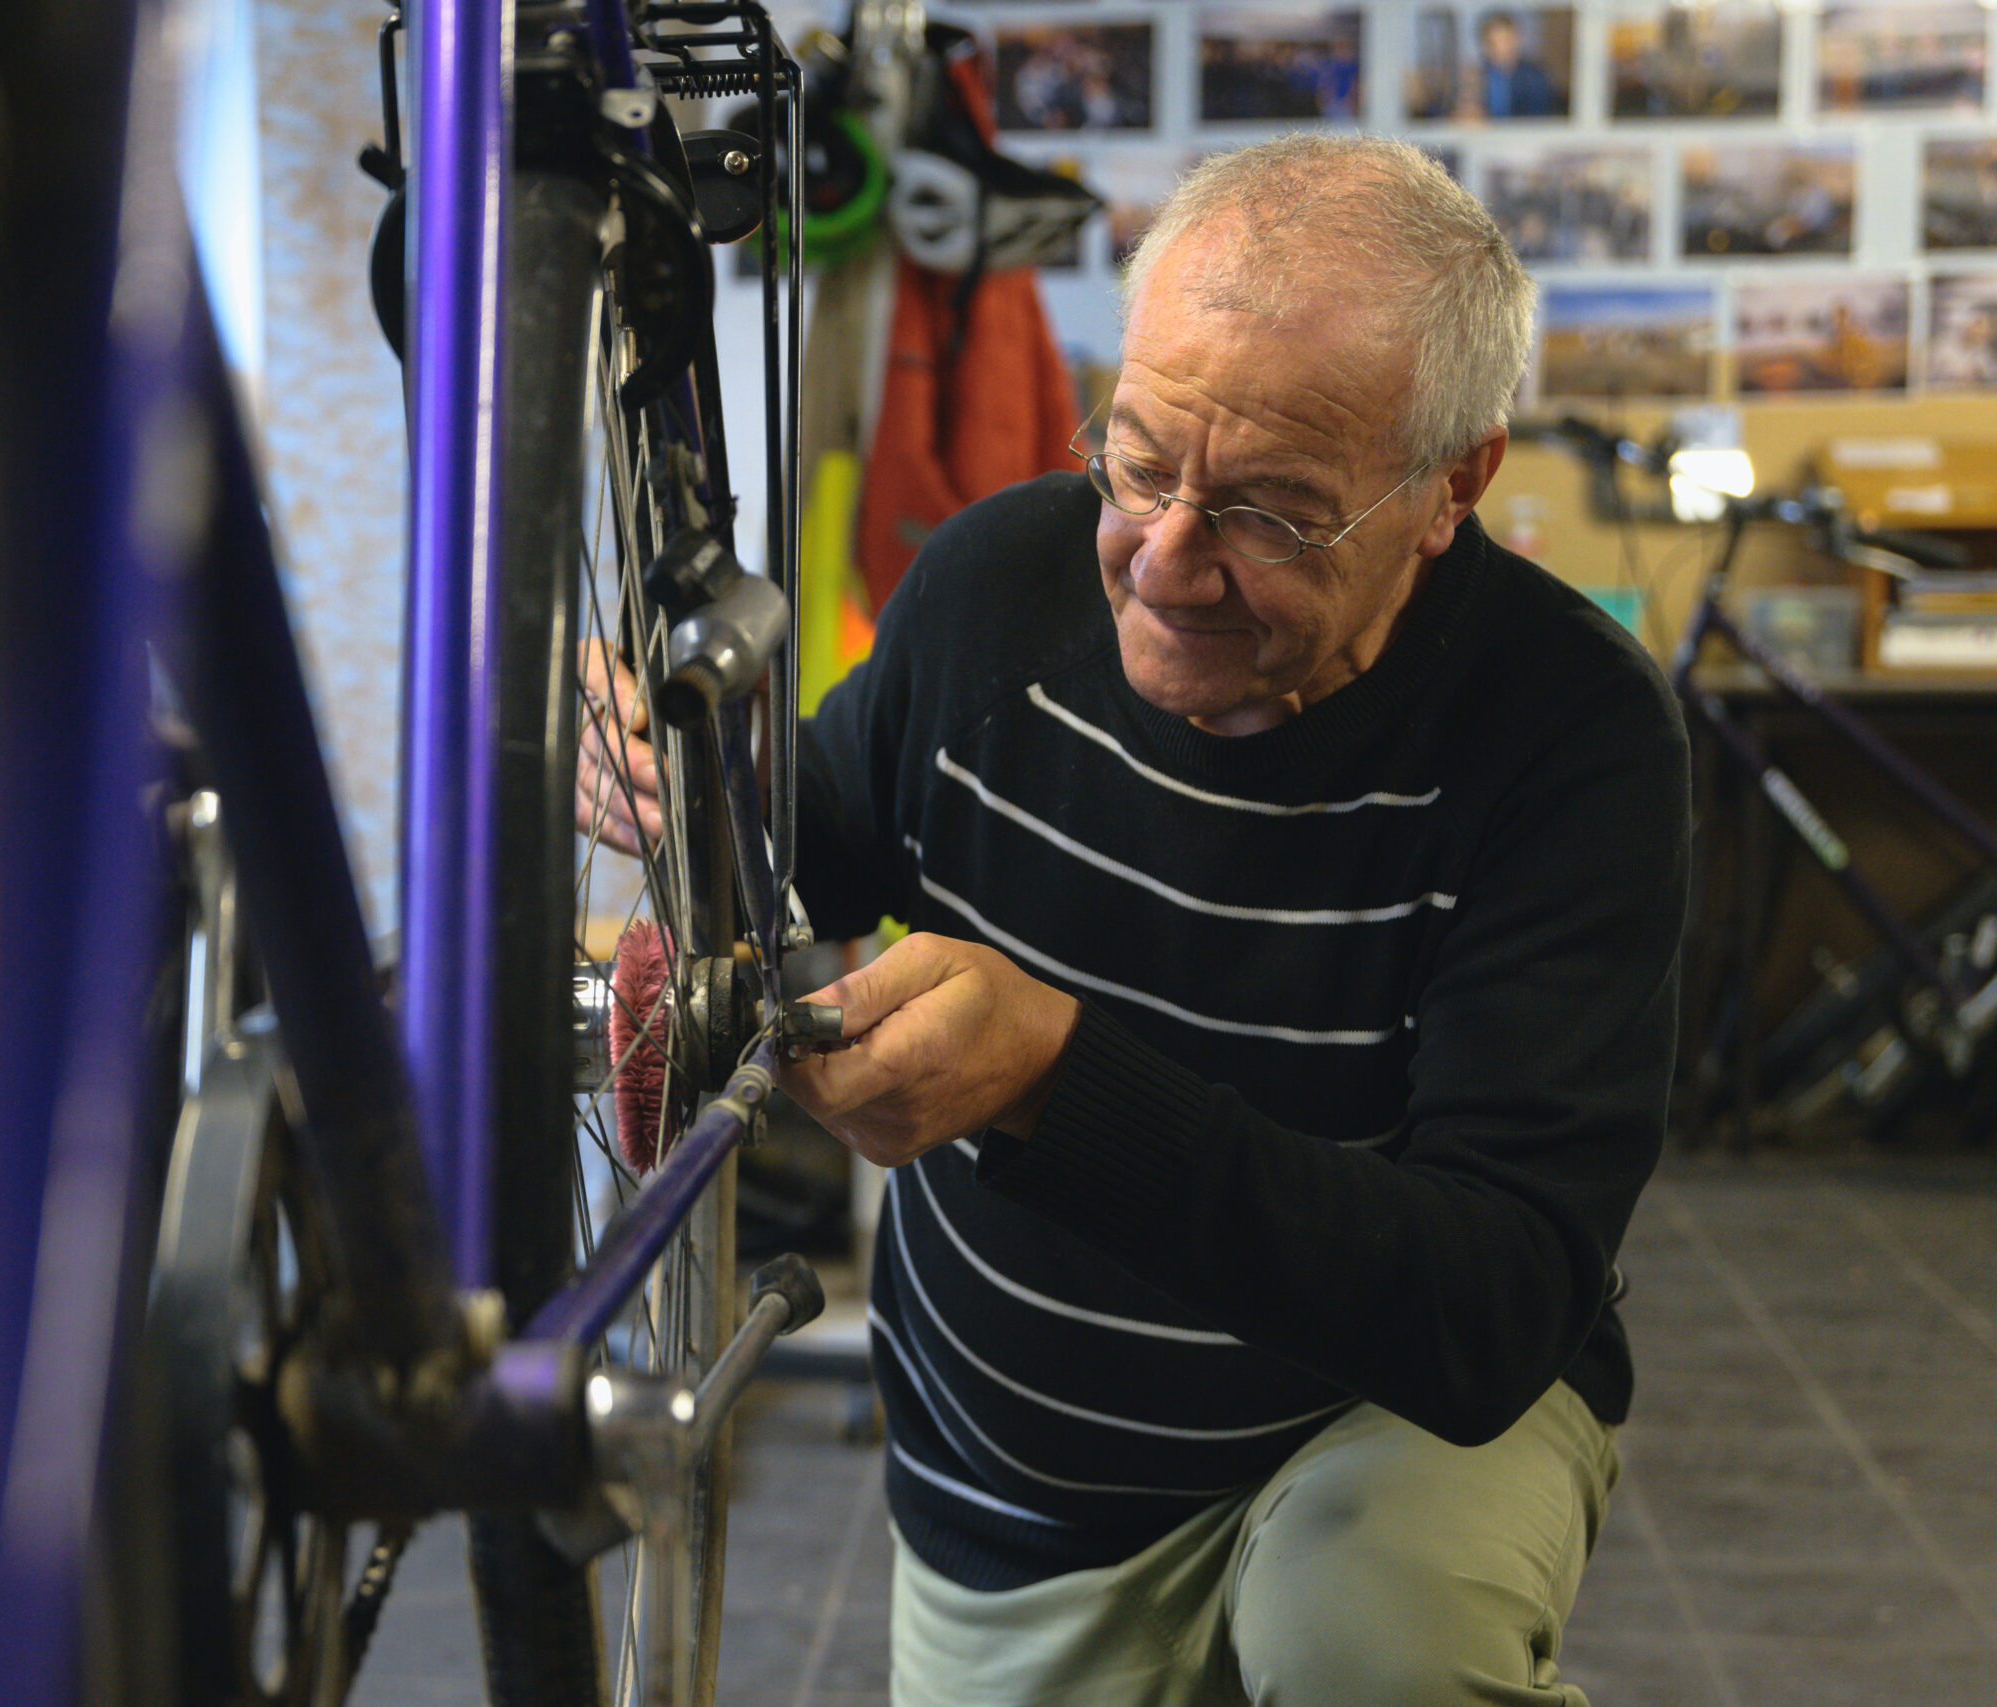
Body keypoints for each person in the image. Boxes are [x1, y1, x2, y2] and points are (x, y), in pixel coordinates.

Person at [583, 134, 1688, 1705]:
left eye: (1273, 514)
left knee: (1374, 1643)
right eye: (1145, 458)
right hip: (1016, 1472)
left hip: (1384, 1413)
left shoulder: (1573, 736)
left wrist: (1055, 1083)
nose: (1165, 560)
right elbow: (809, 849)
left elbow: (1495, 1303)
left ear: (1454, 487)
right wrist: (689, 795)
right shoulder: (997, 587)